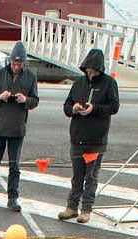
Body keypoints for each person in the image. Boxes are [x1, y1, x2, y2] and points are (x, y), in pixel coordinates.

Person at [59, 48, 116, 224]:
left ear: (99, 69)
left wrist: (95, 109)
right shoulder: (78, 83)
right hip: (77, 136)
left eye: (93, 70)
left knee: (90, 177)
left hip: (96, 140)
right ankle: (71, 207)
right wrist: (74, 108)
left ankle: (86, 209)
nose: (90, 72)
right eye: (88, 70)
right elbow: (67, 106)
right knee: (77, 175)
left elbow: (114, 107)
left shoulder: (109, 83)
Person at [0, 42, 37, 212]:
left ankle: (13, 198)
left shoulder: (30, 76)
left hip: (17, 129)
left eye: (19, 64)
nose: (16, 66)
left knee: (14, 166)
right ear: (10, 61)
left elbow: (35, 101)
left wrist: (25, 100)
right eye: (14, 63)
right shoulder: (1, 74)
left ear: (24, 63)